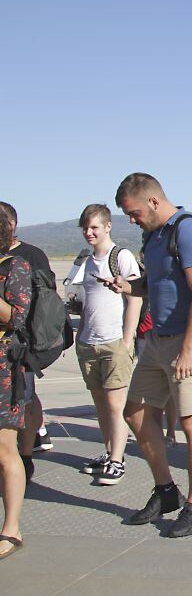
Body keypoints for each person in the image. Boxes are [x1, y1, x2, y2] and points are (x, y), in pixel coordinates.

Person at [108, 173, 192, 537]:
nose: (133, 220)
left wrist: (186, 350)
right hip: (156, 340)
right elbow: (156, 284)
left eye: (134, 213)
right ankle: (166, 490)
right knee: (134, 412)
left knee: (191, 422)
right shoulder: (153, 236)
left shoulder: (187, 230)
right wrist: (128, 286)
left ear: (153, 201)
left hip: (187, 342)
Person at [74, 205, 142, 486]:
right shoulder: (86, 260)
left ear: (107, 227)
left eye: (94, 228)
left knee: (116, 405)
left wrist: (127, 338)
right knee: (100, 403)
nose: (89, 233)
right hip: (89, 341)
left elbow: (135, 297)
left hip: (114, 342)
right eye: (86, 229)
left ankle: (118, 460)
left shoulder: (122, 257)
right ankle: (109, 452)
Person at [0, 202, 54, 475]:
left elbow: (46, 301)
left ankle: (26, 453)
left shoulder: (30, 256)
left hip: (21, 344)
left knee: (27, 398)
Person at [0, 216, 31, 559]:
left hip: (4, 368)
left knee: (4, 448)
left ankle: (12, 527)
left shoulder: (15, 267)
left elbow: (17, 317)